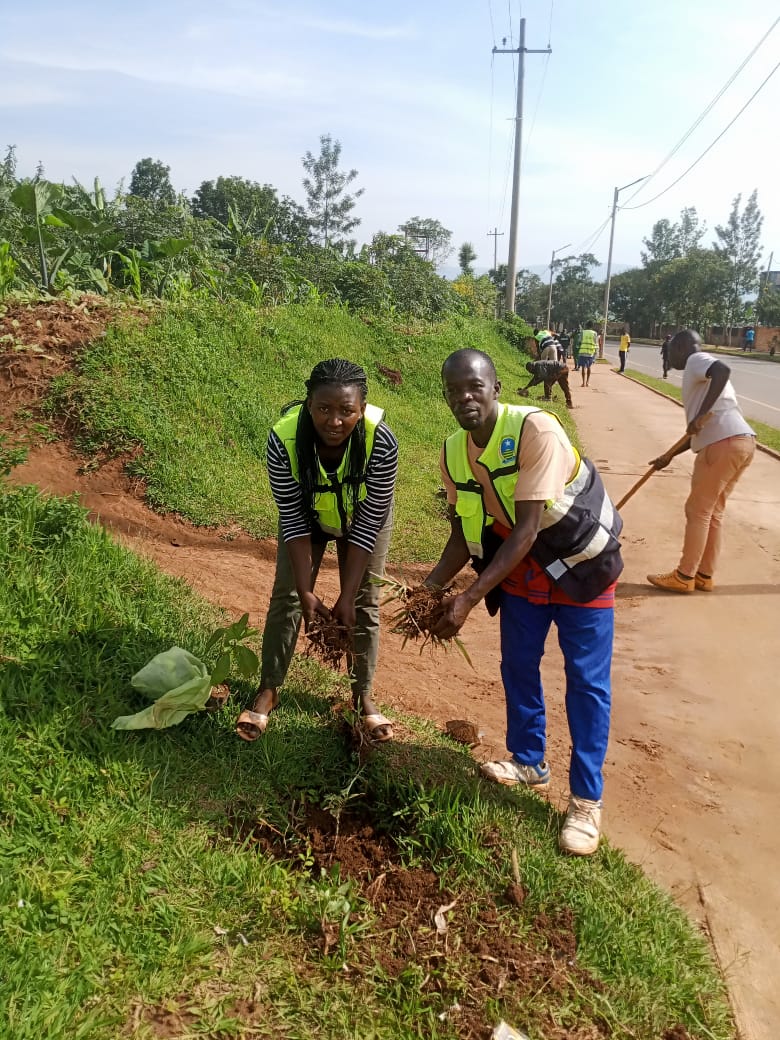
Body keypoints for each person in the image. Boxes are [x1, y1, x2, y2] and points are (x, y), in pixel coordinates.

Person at [427, 349, 623, 856]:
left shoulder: (537, 430)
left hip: (582, 564)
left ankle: (585, 801)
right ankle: (529, 759)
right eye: (454, 391)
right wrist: (427, 591)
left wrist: (469, 597)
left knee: (586, 683)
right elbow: (460, 534)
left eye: (474, 386)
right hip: (521, 571)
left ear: (495, 387)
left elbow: (529, 527)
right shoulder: (453, 452)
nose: (464, 398)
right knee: (517, 665)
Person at [236, 359, 398, 742]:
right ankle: (268, 689)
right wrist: (306, 591)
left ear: (362, 408)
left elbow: (371, 521)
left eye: (347, 411)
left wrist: (346, 594)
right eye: (324, 409)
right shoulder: (283, 439)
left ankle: (362, 697)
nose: (334, 421)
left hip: (362, 516)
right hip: (307, 516)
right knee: (287, 597)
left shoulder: (382, 442)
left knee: (364, 602)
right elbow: (291, 517)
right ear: (309, 404)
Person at [647, 330, 756, 593]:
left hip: (722, 444)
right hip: (741, 441)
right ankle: (704, 575)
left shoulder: (697, 360)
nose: (669, 354)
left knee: (698, 511)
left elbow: (723, 369)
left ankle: (684, 576)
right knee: (713, 512)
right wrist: (669, 456)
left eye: (671, 349)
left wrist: (702, 414)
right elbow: (696, 430)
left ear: (683, 346)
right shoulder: (700, 376)